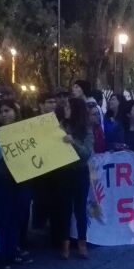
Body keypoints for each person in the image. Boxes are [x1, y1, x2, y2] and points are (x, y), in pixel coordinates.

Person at [0, 98, 33, 269]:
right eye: (1, 112)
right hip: (2, 179)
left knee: (17, 216)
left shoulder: (26, 130)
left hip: (22, 178)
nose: (4, 115)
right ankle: (1, 254)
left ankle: (12, 251)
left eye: (7, 111)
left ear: (15, 112)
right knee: (3, 217)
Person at [57, 96, 94, 259]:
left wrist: (73, 142)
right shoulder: (60, 126)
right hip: (64, 172)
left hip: (80, 172)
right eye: (65, 107)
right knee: (64, 209)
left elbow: (87, 153)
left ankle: (82, 243)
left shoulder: (86, 129)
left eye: (69, 107)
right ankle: (64, 245)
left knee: (80, 210)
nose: (66, 110)